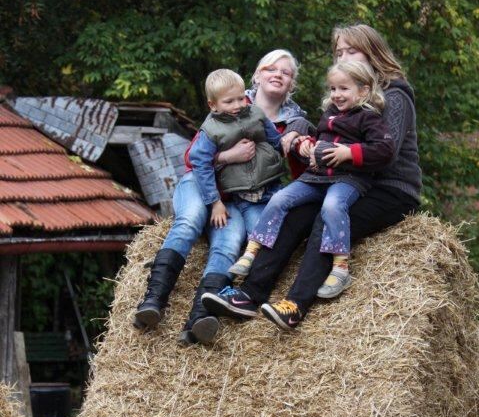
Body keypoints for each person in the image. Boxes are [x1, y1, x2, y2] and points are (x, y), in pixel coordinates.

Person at [202, 24, 422, 331]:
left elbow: (387, 154)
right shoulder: (342, 94)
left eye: (351, 50)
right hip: (341, 180)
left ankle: (295, 304)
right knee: (292, 211)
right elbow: (322, 129)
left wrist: (333, 151)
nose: (343, 57)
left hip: (388, 187)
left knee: (326, 218)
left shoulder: (394, 95)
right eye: (339, 52)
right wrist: (300, 133)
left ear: (372, 52)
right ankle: (248, 295)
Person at [133, 50, 310, 344]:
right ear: (257, 74)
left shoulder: (294, 122)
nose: (278, 74)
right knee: (190, 221)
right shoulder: (226, 104)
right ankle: (153, 300)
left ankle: (199, 318)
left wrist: (301, 145)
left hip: (245, 197)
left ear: (292, 83)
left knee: (230, 243)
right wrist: (228, 157)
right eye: (270, 68)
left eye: (286, 72)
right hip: (209, 184)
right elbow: (193, 158)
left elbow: (292, 167)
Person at [229, 61, 394, 298]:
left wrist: (349, 152)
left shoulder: (369, 118)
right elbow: (320, 138)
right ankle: (252, 250)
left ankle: (340, 267)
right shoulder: (329, 114)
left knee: (332, 207)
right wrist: (307, 144)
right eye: (333, 89)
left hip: (347, 179)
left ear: (364, 90)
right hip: (316, 177)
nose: (336, 94)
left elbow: (384, 149)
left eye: (343, 89)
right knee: (280, 199)